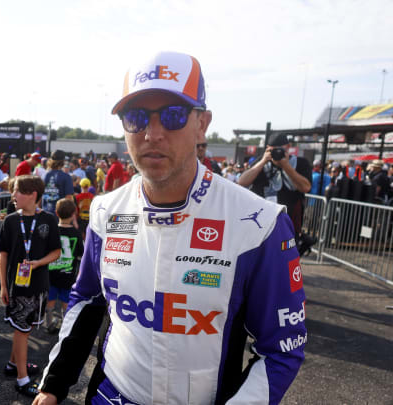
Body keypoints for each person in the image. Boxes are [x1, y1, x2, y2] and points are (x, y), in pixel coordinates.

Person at [34, 51, 306, 405]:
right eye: (136, 117)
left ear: (202, 123)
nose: (153, 133)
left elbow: (281, 350)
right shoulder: (105, 210)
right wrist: (53, 385)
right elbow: (86, 300)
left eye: (174, 115)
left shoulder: (259, 223)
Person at [0, 175, 61, 397]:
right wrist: (3, 286)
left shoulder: (49, 220)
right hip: (17, 287)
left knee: (26, 327)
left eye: (17, 191)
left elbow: (57, 252)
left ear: (33, 195)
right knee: (21, 330)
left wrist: (38, 264)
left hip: (40, 285)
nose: (13, 196)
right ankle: (22, 379)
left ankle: (13, 364)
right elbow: (3, 255)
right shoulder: (10, 220)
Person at [238, 133, 312, 240]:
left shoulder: (300, 163)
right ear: (268, 149)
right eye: (273, 150)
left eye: (280, 150)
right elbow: (242, 182)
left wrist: (286, 165)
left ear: (288, 147)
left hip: (288, 223)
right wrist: (263, 161)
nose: (277, 153)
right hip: (262, 223)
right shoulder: (261, 163)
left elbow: (306, 187)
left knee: (286, 255)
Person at [44, 199, 84, 334]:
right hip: (68, 274)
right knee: (65, 301)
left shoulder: (51, 230)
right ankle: (66, 327)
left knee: (50, 300)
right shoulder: (77, 233)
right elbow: (80, 253)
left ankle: (49, 323)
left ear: (56, 213)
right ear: (73, 214)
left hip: (50, 274)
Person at [42, 150, 74, 215]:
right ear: (63, 161)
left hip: (45, 212)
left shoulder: (44, 175)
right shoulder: (66, 177)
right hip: (61, 215)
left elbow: (40, 196)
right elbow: (68, 198)